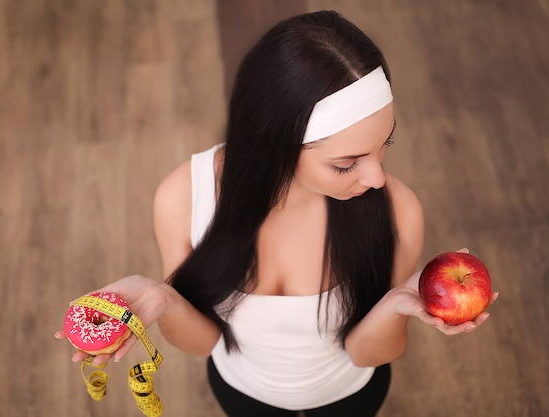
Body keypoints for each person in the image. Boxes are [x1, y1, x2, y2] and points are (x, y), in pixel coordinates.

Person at [56, 10, 497, 417]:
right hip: (243, 394)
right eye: (346, 163)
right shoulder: (183, 197)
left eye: (387, 145)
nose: (378, 179)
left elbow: (367, 354)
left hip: (352, 396)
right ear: (275, 147)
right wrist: (162, 299)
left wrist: (397, 305)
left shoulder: (399, 210)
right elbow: (207, 341)